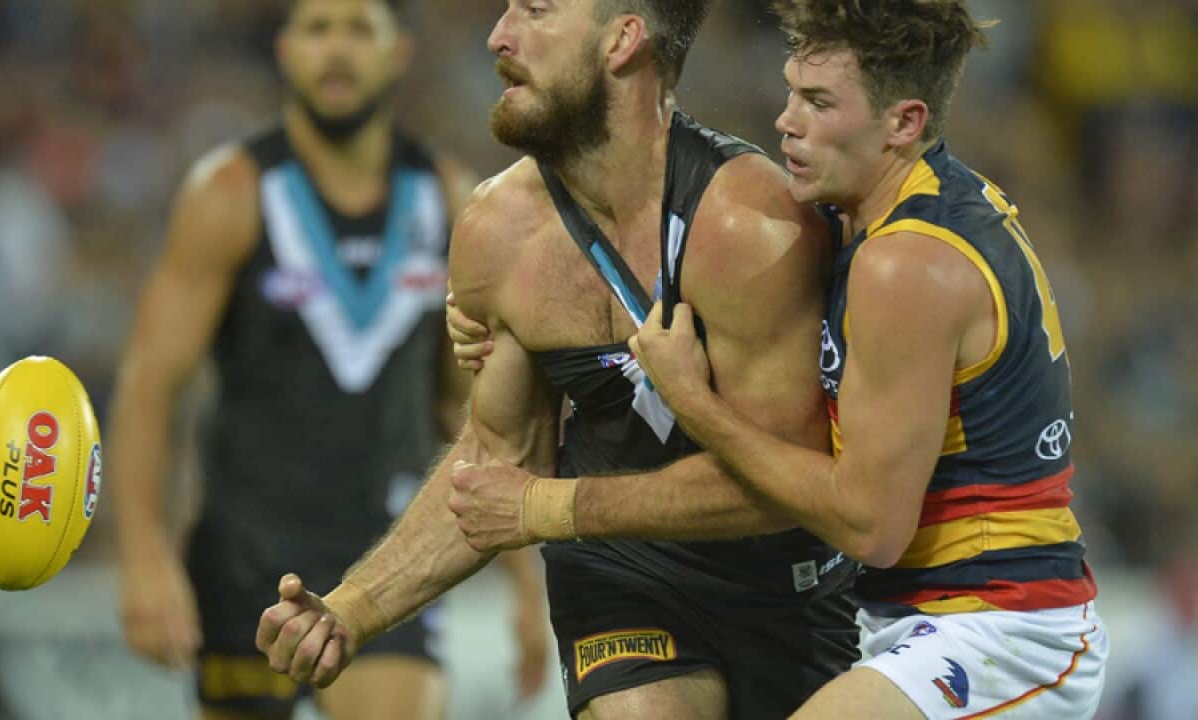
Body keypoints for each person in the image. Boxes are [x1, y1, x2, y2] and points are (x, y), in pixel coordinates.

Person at [448, 1, 1110, 718]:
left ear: (904, 123)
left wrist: (692, 402)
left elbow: (870, 527)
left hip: (1006, 629)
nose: (786, 121)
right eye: (793, 90)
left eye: (820, 103)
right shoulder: (874, 216)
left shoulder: (905, 264)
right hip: (912, 626)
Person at [255, 1, 861, 718]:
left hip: (790, 591)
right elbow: (500, 459)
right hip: (621, 578)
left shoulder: (749, 223)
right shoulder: (495, 230)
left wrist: (551, 506)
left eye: (535, 11)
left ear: (623, 39)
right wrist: (351, 608)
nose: (498, 37)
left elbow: (784, 482)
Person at [108, 2, 550, 719]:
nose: (336, 50)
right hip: (241, 558)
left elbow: (470, 411)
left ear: (398, 52)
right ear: (285, 51)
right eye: (318, 29)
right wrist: (141, 555)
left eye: (357, 29)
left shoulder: (450, 201)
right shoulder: (229, 195)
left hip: (388, 556)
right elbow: (150, 386)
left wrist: (527, 581)